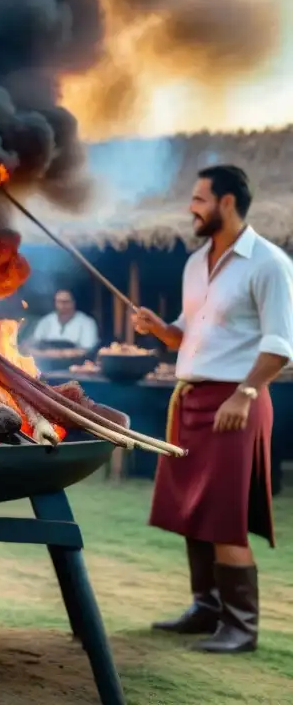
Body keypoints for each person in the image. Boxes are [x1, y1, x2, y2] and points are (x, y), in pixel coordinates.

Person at [133, 165, 293, 654]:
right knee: (192, 510)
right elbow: (189, 331)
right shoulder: (196, 262)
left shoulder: (269, 262)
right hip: (192, 400)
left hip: (236, 402)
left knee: (224, 514)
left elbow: (280, 344)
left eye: (200, 199)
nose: (191, 207)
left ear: (227, 203)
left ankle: (240, 628)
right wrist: (160, 329)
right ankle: (206, 609)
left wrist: (244, 394)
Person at [24, 289, 99, 353]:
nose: (62, 305)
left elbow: (86, 350)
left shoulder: (87, 322)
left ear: (73, 303)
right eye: (59, 302)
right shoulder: (45, 321)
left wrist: (59, 354)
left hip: (76, 366)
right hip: (45, 365)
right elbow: (33, 343)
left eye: (66, 302)